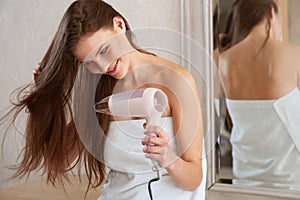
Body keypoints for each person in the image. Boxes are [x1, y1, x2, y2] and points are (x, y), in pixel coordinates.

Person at [2, 0, 207, 199]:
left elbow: (194, 178)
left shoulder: (176, 81)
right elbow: (62, 159)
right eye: (90, 62)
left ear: (119, 25)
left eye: (103, 50)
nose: (102, 67)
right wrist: (44, 100)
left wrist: (169, 159)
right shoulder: (100, 94)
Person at [218, 0, 300, 189]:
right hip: (292, 181)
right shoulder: (292, 54)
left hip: (246, 180)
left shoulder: (222, 62)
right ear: (271, 13)